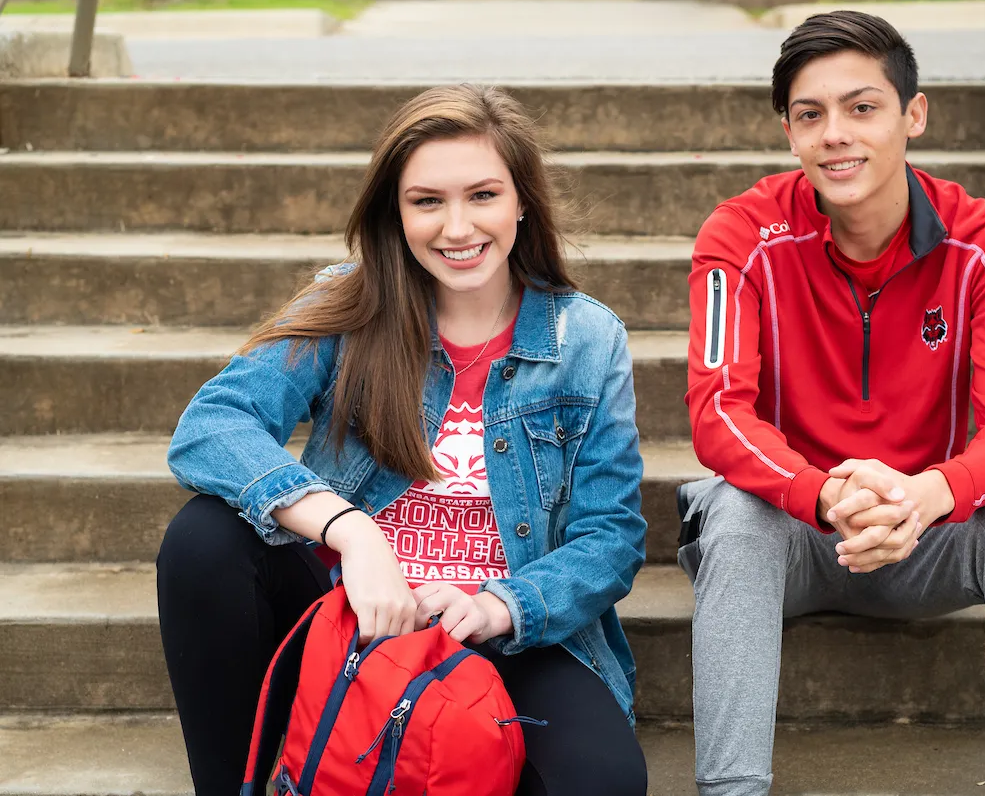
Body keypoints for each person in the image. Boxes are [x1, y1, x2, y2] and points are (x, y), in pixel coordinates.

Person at [158, 84, 649, 796]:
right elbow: (211, 426)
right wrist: (354, 534)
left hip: (506, 631)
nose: (457, 226)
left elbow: (611, 536)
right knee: (203, 539)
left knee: (602, 783)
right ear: (396, 209)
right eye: (427, 201)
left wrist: (495, 605)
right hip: (340, 616)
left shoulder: (586, 339)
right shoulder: (349, 303)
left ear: (522, 202)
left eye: (482, 195)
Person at [678, 11, 985, 796]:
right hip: (789, 533)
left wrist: (926, 496)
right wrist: (823, 494)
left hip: (920, 534)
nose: (836, 134)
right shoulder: (738, 234)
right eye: (810, 114)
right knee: (733, 513)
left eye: (862, 107)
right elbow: (717, 412)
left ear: (913, 114)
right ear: (789, 132)